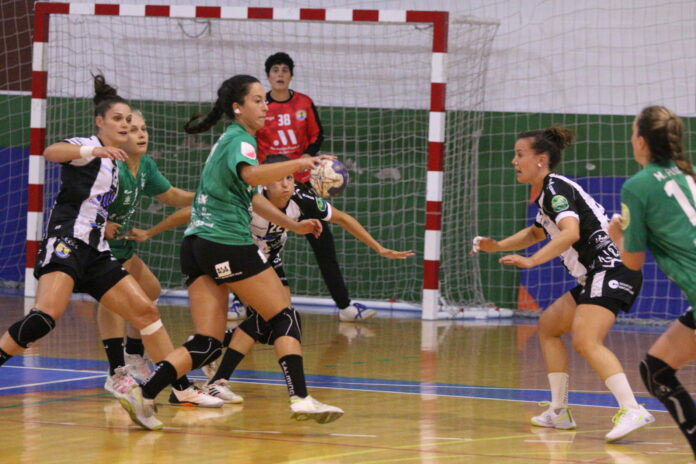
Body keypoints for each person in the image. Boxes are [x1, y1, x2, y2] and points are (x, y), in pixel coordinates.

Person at [117, 74, 344, 429]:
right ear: (237, 107)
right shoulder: (241, 140)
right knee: (284, 316)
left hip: (196, 245)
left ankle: (143, 393)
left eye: (265, 100)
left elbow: (251, 196)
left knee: (207, 342)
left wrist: (293, 225)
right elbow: (254, 177)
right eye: (257, 99)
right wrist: (300, 163)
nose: (265, 105)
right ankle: (301, 398)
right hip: (225, 240)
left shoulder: (229, 141)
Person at [0, 75, 178, 429]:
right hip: (67, 239)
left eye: (129, 120)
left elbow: (100, 204)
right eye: (118, 119)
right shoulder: (89, 146)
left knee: (145, 310)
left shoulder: (122, 162)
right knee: (45, 316)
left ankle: (154, 390)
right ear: (101, 122)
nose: (126, 124)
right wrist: (91, 150)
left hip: (96, 248)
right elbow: (52, 152)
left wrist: (109, 225)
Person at [472, 125, 654, 442]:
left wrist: (530, 261)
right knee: (549, 326)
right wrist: (499, 245)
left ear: (540, 159)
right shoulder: (548, 195)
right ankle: (559, 411)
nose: (514, 161)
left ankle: (632, 408)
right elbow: (536, 233)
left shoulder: (555, 190)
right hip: (595, 274)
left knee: (586, 341)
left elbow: (570, 233)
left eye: (519, 155)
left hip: (608, 269)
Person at [199, 154, 414, 403]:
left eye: (290, 178)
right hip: (239, 256)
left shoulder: (301, 199)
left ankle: (210, 343)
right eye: (279, 179)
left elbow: (343, 219)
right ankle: (219, 379)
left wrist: (379, 248)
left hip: (269, 260)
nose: (286, 184)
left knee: (281, 322)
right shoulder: (248, 196)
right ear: (265, 181)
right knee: (268, 318)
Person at [99, 110, 221, 408]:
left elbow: (171, 195)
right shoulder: (110, 166)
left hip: (123, 247)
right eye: (132, 130)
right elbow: (82, 204)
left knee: (150, 291)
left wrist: (206, 195)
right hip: (97, 247)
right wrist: (101, 223)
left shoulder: (145, 166)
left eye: (144, 129)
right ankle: (116, 370)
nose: (141, 134)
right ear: (117, 135)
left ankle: (135, 357)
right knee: (114, 302)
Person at [256, 52, 376, 322]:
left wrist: (304, 163)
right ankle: (241, 303)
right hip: (267, 186)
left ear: (290, 75)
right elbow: (252, 140)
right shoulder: (261, 106)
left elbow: (317, 134)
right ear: (268, 75)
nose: (279, 74)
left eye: (284, 69)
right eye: (275, 70)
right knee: (253, 244)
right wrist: (269, 172)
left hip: (300, 183)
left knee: (324, 244)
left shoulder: (303, 103)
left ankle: (344, 306)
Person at [608, 105, 696, 460]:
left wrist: (618, 237)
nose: (631, 140)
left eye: (632, 133)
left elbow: (632, 262)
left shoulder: (638, 186)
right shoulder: (688, 176)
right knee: (656, 369)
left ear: (642, 142)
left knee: (657, 371)